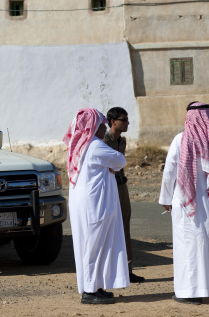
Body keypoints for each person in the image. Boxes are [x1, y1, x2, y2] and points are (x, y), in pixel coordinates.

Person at [159, 102, 209, 305]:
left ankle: (189, 293)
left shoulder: (180, 140)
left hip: (188, 205)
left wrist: (165, 199)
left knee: (190, 247)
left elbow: (169, 172)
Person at [63, 108, 129, 305]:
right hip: (95, 204)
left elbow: (115, 163)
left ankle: (95, 286)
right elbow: (120, 160)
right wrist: (112, 165)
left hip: (89, 202)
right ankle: (90, 292)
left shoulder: (81, 146)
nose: (104, 128)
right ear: (92, 127)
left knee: (95, 245)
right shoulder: (94, 146)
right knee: (93, 246)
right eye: (101, 125)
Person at [103, 107, 145, 283]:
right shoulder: (104, 140)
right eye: (124, 119)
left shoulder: (122, 141)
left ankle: (127, 269)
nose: (127, 122)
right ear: (113, 121)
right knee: (110, 227)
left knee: (125, 225)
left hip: (121, 186)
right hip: (108, 187)